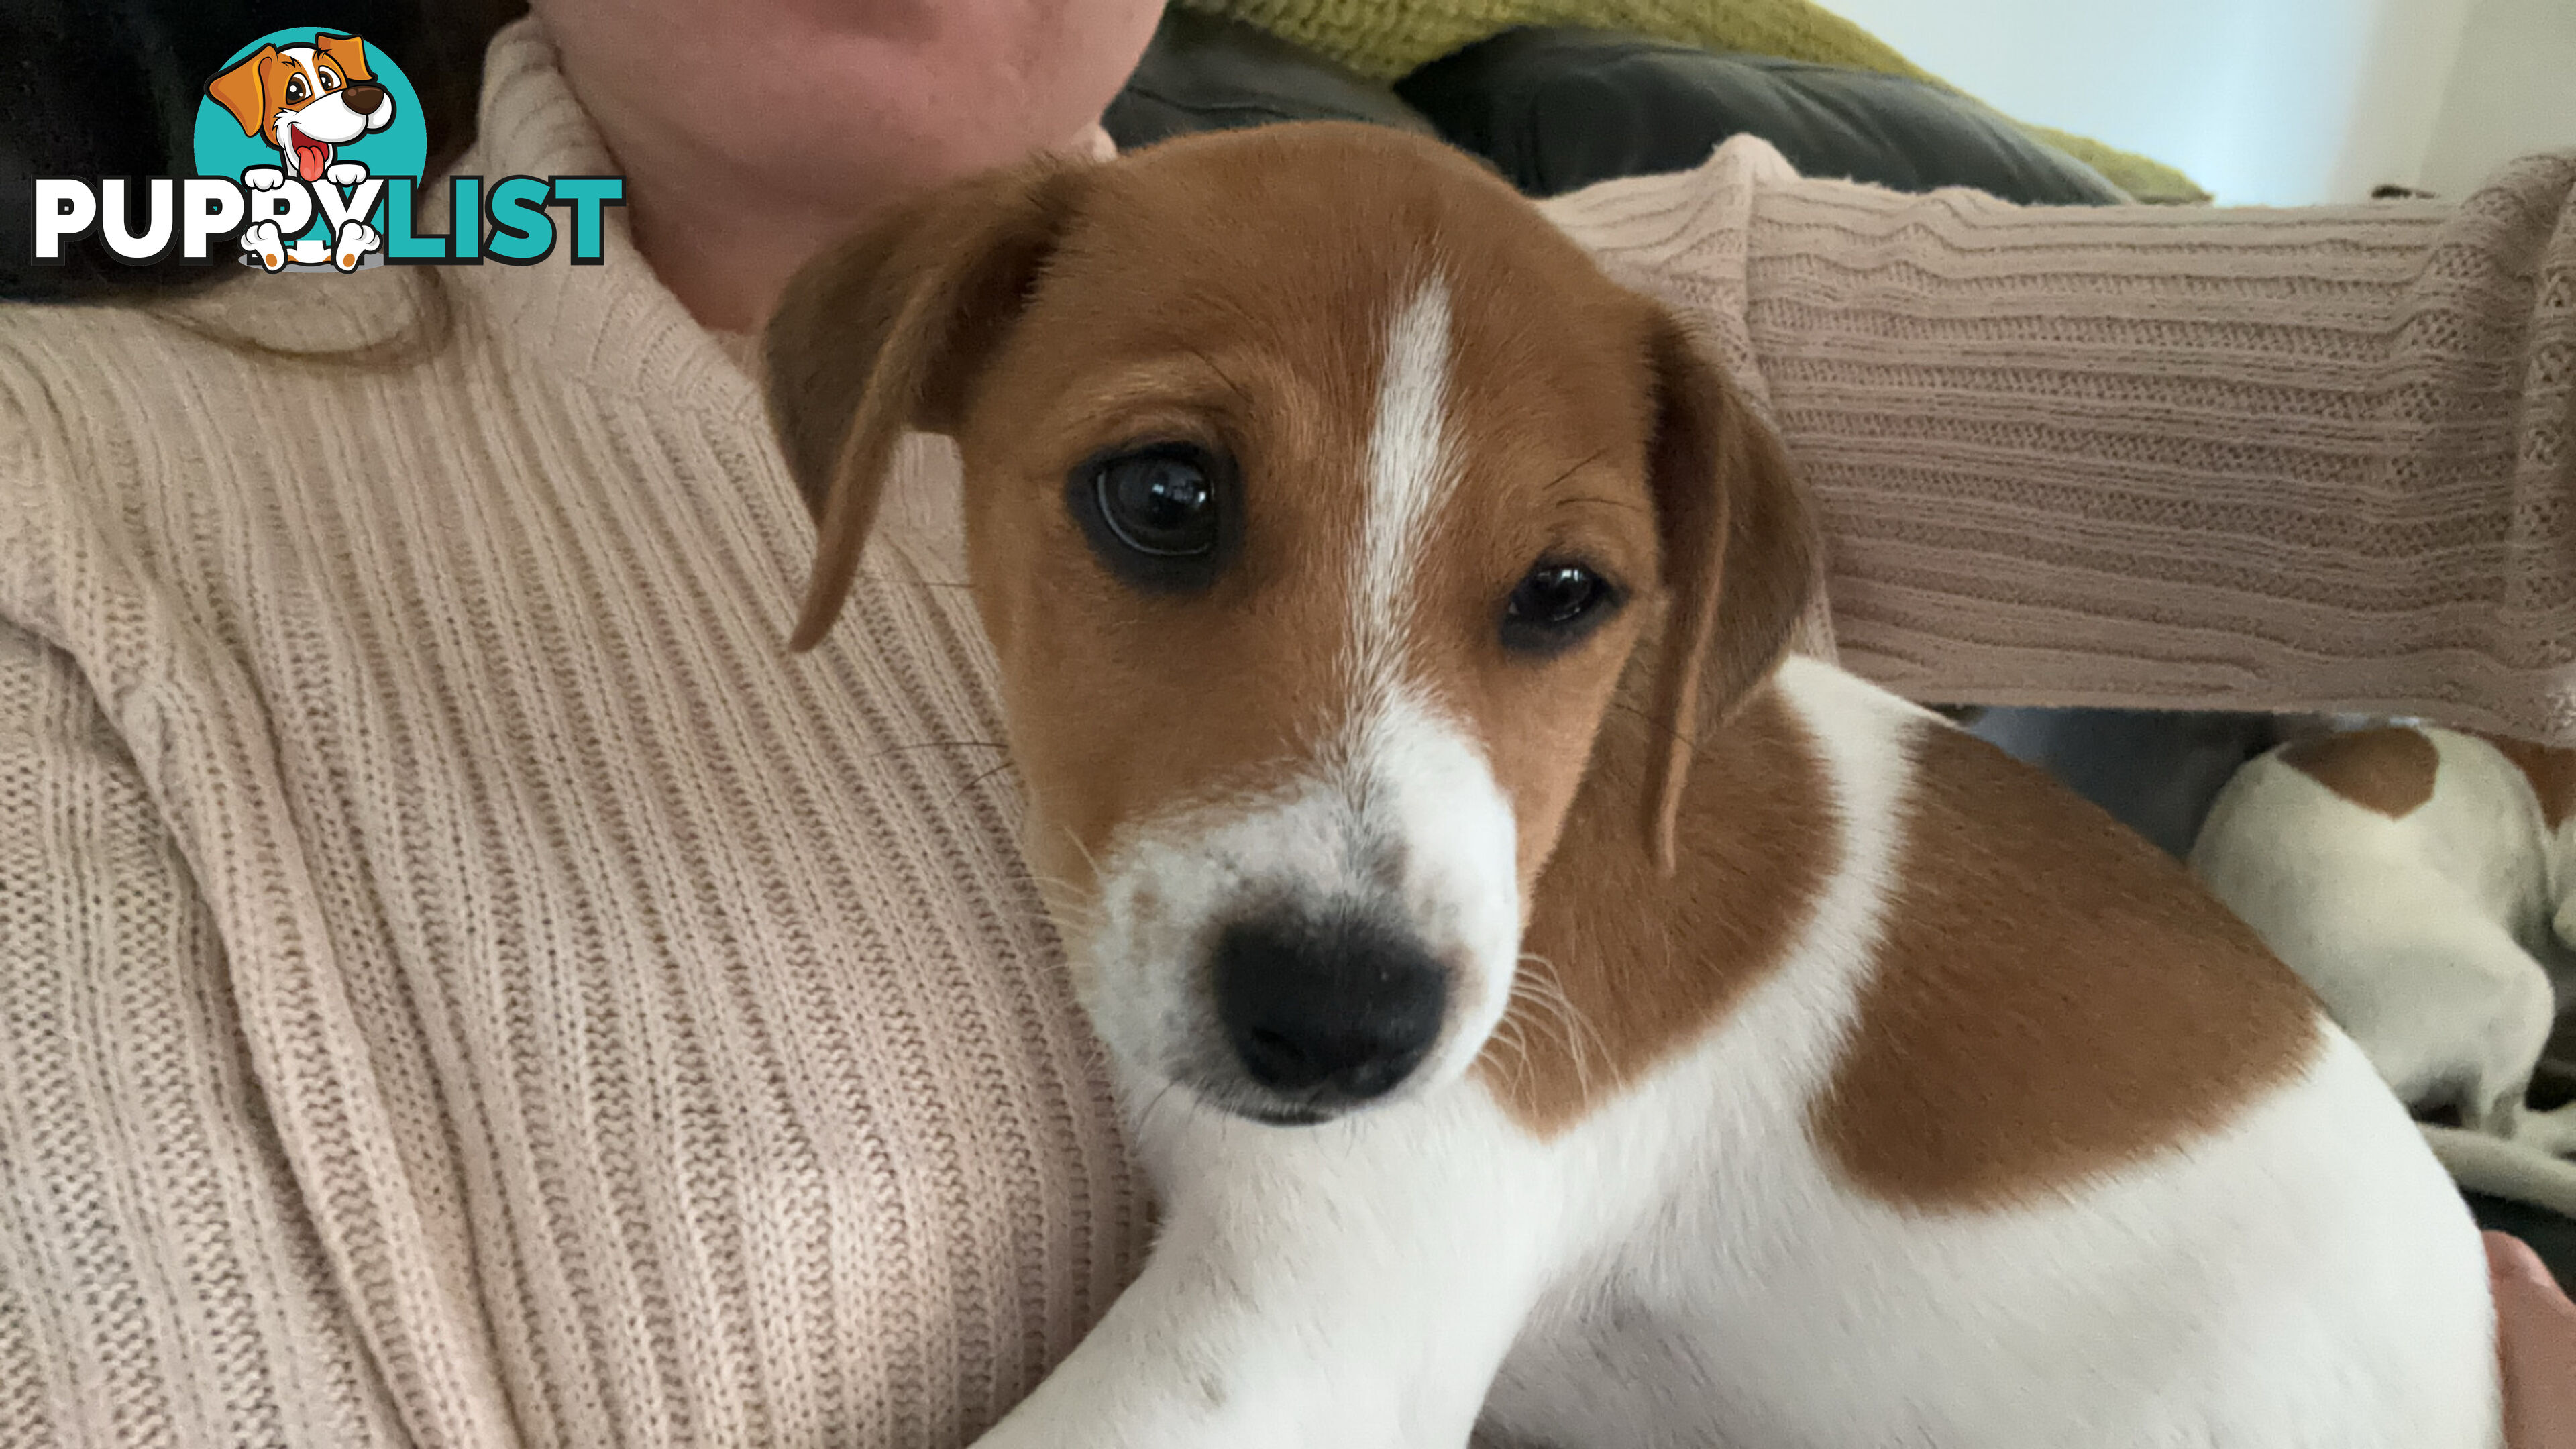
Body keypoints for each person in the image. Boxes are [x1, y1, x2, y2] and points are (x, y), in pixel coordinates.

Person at [0, 1, 2569, 1444]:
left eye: (1559, 602)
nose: (1350, 795)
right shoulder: (96, 466)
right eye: (1157, 505)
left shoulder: (1603, 330)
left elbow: (2493, 401)